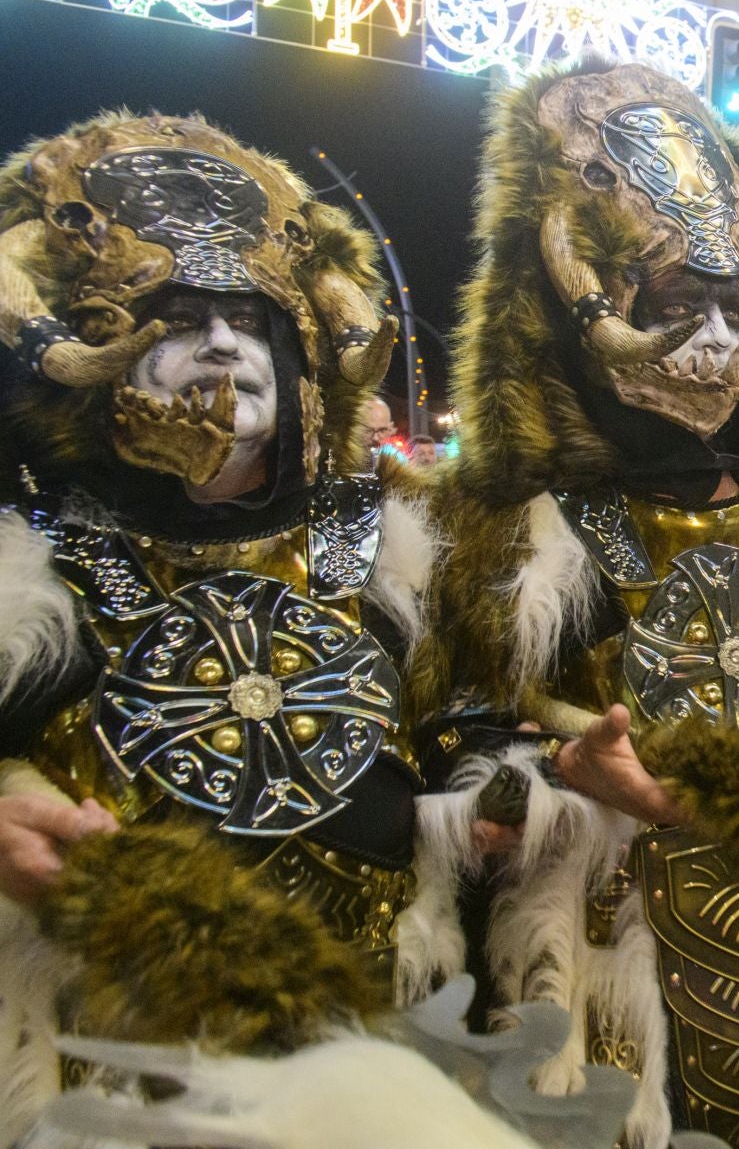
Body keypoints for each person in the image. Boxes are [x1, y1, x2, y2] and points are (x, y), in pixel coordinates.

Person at [0, 112, 449, 1141]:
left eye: (251, 322)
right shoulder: (23, 563)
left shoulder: (397, 547)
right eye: (180, 317)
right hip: (111, 1068)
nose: (219, 343)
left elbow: (479, 734)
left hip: (379, 1060)